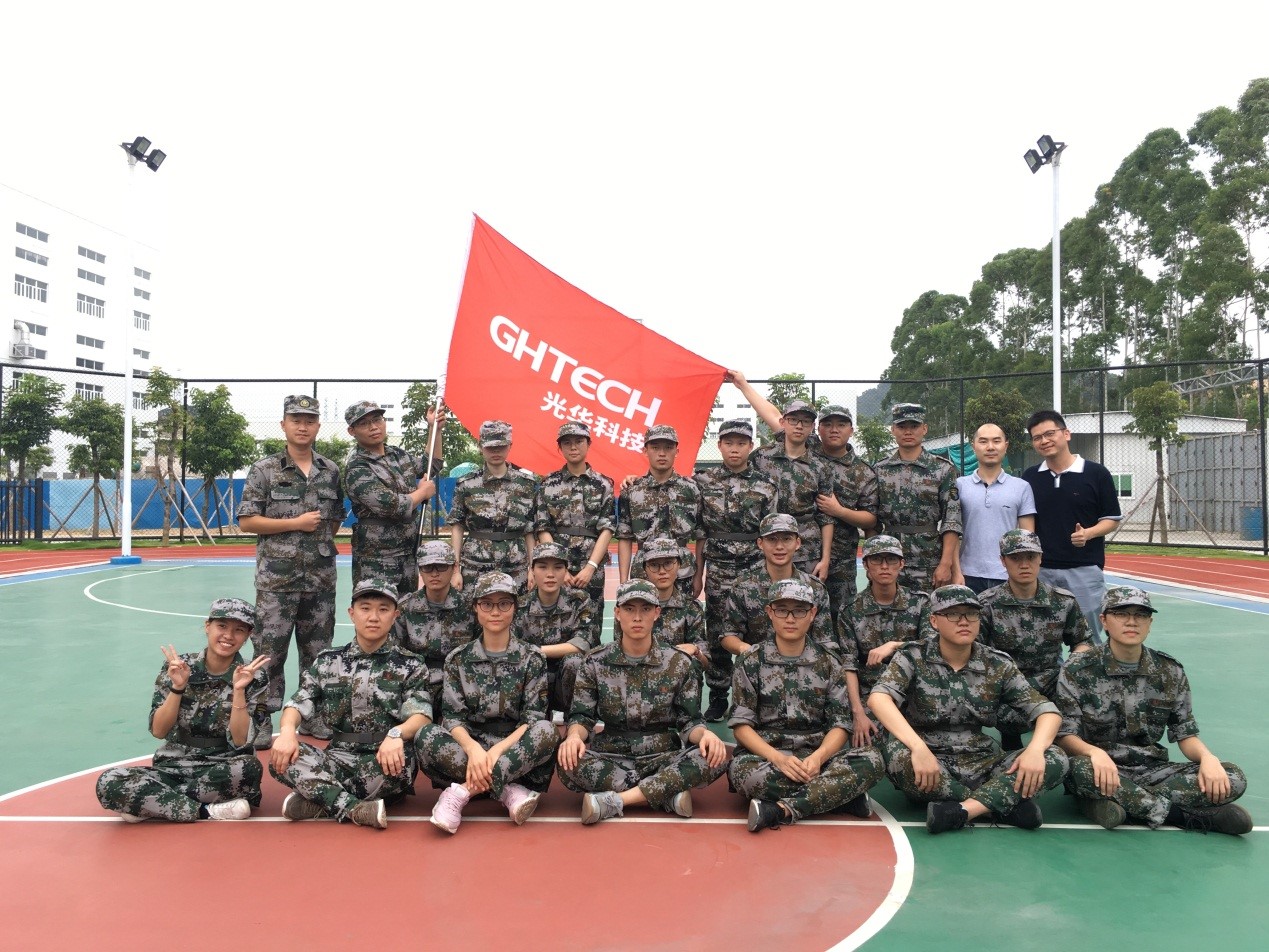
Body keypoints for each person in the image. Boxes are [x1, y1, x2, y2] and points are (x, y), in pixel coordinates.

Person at [868, 585, 1069, 834]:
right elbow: (879, 699)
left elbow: (1047, 712)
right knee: (898, 756)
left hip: (982, 761)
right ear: (934, 621)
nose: (964, 621)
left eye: (971, 614)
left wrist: (1035, 750)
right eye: (953, 614)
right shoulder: (912, 656)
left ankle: (962, 810)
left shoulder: (997, 663)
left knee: (1055, 757)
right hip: (929, 759)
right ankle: (1002, 805)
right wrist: (919, 748)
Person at [1055, 585, 1252, 834]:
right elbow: (1064, 735)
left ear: (1150, 623)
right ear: (1104, 620)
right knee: (1077, 770)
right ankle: (1182, 815)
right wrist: (1093, 752)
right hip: (1098, 767)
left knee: (1231, 776)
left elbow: (1185, 733)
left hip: (1152, 769)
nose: (1131, 622)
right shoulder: (1078, 669)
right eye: (1121, 614)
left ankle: (1118, 803)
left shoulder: (1169, 671)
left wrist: (1207, 758)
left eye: (1140, 615)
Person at [557, 579, 730, 824]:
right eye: (629, 609)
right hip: (611, 754)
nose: (637, 617)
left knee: (714, 757)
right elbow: (582, 717)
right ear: (617, 613)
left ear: (656, 613)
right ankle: (666, 793)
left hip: (663, 755)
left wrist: (705, 735)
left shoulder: (678, 663)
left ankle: (618, 800)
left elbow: (689, 722)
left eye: (645, 609)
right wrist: (574, 736)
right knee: (567, 761)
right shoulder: (595, 662)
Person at [270, 580, 430, 829]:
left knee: (397, 768)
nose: (373, 617)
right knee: (282, 757)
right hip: (338, 757)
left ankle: (321, 798)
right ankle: (355, 808)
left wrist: (396, 734)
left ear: (395, 616)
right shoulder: (328, 661)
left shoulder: (411, 664)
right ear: (352, 613)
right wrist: (288, 732)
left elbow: (421, 714)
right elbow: (299, 702)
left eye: (383, 609)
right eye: (365, 608)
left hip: (384, 757)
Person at [96, 598, 270, 822]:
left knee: (248, 768)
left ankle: (152, 803)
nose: (228, 635)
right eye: (222, 626)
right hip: (174, 765)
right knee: (110, 781)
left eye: (239, 630)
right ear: (207, 626)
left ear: (248, 636)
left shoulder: (254, 676)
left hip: (223, 765)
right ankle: (206, 810)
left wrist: (238, 690)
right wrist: (178, 687)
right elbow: (159, 730)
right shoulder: (179, 667)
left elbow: (240, 740)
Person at [729, 579, 883, 832]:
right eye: (782, 610)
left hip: (817, 755)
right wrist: (778, 759)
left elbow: (840, 724)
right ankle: (839, 797)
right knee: (744, 774)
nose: (790, 619)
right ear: (769, 612)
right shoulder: (751, 660)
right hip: (767, 756)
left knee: (872, 760)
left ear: (812, 614)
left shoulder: (829, 663)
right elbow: (741, 726)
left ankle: (779, 810)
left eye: (799, 611)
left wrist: (818, 758)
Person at [726, 373, 878, 627]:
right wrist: (742, 384)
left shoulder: (843, 467)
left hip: (817, 550)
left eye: (841, 425)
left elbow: (857, 518)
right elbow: (773, 415)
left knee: (819, 611)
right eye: (828, 424)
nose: (834, 430)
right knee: (768, 607)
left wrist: (837, 513)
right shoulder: (767, 455)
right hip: (772, 544)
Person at [237, 394, 346, 748]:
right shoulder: (265, 469)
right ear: (283, 424)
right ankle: (261, 719)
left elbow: (335, 519)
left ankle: (312, 715)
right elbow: (247, 521)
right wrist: (295, 523)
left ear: (318, 426)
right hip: (277, 580)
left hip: (320, 579)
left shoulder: (331, 471)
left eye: (309, 420)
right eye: (296, 420)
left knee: (318, 653)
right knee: (269, 653)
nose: (303, 426)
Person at [417, 572, 559, 833]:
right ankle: (506, 790)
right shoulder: (458, 659)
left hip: (515, 748)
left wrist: (496, 752)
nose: (495, 612)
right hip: (471, 751)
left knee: (547, 731)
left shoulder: (532, 658)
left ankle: (463, 792)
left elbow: (532, 718)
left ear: (515, 607)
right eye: (487, 604)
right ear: (475, 607)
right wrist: (473, 749)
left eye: (504, 603)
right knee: (425, 736)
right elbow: (453, 718)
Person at [693, 418, 778, 722]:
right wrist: (698, 573)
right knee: (718, 631)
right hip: (718, 568)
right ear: (719, 445)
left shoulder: (766, 485)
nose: (734, 449)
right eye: (729, 443)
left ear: (751, 446)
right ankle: (718, 695)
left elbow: (771, 532)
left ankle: (754, 693)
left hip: (755, 567)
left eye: (741, 443)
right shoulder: (702, 482)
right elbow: (700, 532)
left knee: (757, 629)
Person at [979, 529, 1092, 750]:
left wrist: (1072, 667)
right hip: (1006, 684)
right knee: (1005, 717)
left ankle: (1067, 742)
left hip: (1050, 682)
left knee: (1087, 687)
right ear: (1003, 561)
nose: (1024, 565)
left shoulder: (1063, 601)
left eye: (1030, 557)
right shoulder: (986, 604)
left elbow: (1083, 642)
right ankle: (1010, 736)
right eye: (1015, 558)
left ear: (1040, 558)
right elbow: (974, 651)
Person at [1022, 409, 1122, 641]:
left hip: (1084, 570)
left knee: (1089, 638)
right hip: (1041, 571)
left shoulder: (1096, 473)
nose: (1044, 441)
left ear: (1066, 434)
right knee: (1043, 641)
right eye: (1037, 437)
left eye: (1050, 434)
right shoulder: (1030, 477)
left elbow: (1111, 519)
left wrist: (1089, 533)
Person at [342, 399, 442, 595]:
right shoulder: (358, 467)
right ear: (352, 431)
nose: (373, 427)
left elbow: (431, 465)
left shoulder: (397, 455)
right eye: (364, 423)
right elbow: (391, 505)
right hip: (377, 559)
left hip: (408, 553)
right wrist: (422, 493)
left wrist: (435, 429)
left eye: (377, 419)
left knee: (405, 608)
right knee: (377, 610)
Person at [837, 535, 931, 744]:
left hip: (914, 691)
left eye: (891, 559)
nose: (885, 566)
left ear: (901, 564)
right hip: (872, 693)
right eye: (877, 560)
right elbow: (849, 665)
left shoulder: (921, 603)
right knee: (866, 747)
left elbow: (933, 647)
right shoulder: (851, 610)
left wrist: (895, 645)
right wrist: (858, 713)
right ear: (866, 565)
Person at [534, 421, 616, 647]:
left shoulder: (603, 484)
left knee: (592, 623)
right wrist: (560, 568)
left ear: (588, 444)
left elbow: (607, 528)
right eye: (567, 443)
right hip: (557, 568)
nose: (573, 447)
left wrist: (591, 567)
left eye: (579, 441)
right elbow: (543, 527)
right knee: (556, 621)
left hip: (592, 567)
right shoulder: (548, 484)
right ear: (559, 448)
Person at [720, 513, 836, 667]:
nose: (779, 546)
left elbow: (825, 640)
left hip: (805, 669)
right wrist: (747, 650)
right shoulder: (743, 587)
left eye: (787, 539)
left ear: (798, 543)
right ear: (760, 543)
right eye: (772, 539)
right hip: (758, 668)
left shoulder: (815, 589)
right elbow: (729, 635)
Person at [873, 403, 962, 591]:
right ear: (893, 430)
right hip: (888, 558)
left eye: (914, 426)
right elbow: (871, 519)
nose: (908, 432)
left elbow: (951, 520)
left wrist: (946, 564)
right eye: (902, 426)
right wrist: (872, 557)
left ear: (924, 429)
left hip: (929, 560)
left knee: (929, 607)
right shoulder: (880, 469)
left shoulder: (943, 469)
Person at [748, 400, 834, 582]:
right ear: (783, 422)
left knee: (804, 596)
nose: (799, 426)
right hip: (768, 545)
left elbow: (826, 517)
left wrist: (825, 559)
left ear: (812, 427)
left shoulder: (821, 466)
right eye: (793, 420)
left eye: (806, 422)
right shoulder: (761, 457)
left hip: (806, 549)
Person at [393, 540, 477, 720]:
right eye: (427, 567)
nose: (434, 573)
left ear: (454, 568)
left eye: (441, 566)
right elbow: (396, 654)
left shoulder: (470, 608)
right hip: (418, 681)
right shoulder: (405, 608)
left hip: (460, 681)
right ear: (420, 570)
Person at [450, 420, 538, 592]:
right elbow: (457, 526)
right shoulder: (466, 484)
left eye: (501, 446)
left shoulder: (526, 484)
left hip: (515, 566)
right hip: (475, 565)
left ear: (510, 446)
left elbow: (529, 529)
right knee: (474, 608)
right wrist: (455, 570)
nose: (496, 451)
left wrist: (532, 568)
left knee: (516, 608)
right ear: (481, 447)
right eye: (490, 447)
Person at [616, 424, 703, 597]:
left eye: (668, 448)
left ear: (677, 451)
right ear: (645, 450)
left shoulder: (692, 489)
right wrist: (624, 580)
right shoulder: (632, 490)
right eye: (655, 448)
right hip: (644, 571)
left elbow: (701, 535)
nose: (662, 453)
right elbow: (625, 537)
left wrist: (699, 576)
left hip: (682, 572)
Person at [514, 542, 596, 719]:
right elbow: (512, 648)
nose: (550, 574)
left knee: (575, 661)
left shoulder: (579, 601)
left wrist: (535, 650)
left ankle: (575, 720)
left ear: (566, 571)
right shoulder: (520, 606)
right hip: (532, 679)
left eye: (558, 567)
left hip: (565, 680)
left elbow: (582, 644)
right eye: (542, 567)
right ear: (532, 570)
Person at [957, 423, 1036, 594]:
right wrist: (955, 571)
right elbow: (952, 533)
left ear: (1005, 446)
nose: (990, 447)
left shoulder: (1021, 487)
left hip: (1008, 575)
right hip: (966, 574)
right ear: (973, 446)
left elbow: (1028, 537)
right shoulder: (959, 486)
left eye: (996, 441)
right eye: (983, 441)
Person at [638, 536, 710, 669]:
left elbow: (704, 664)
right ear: (645, 569)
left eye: (668, 563)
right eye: (654, 565)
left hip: (680, 676)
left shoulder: (691, 608)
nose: (662, 571)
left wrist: (696, 652)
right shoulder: (632, 608)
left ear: (679, 565)